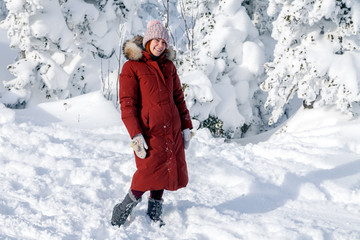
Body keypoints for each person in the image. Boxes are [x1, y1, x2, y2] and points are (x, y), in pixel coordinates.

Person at [111, 20, 193, 227]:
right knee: (147, 172)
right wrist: (135, 134)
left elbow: (179, 98)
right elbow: (127, 104)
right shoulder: (132, 67)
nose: (160, 45)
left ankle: (154, 209)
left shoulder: (169, 67)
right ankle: (124, 207)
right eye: (156, 40)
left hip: (171, 128)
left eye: (164, 42)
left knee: (166, 168)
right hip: (149, 131)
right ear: (148, 41)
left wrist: (185, 126)